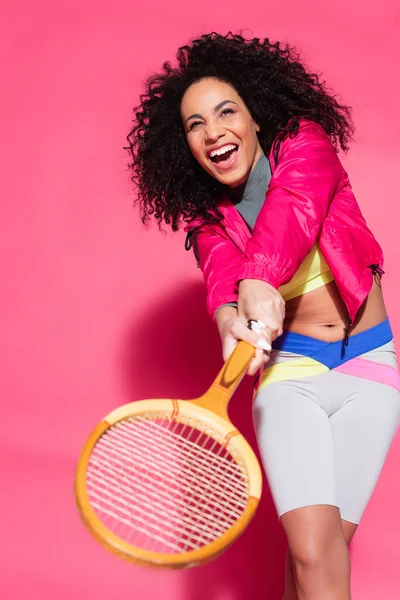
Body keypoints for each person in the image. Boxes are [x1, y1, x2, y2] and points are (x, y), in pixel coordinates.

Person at [126, 32, 400, 600]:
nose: (212, 131)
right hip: (290, 377)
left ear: (256, 119)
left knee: (319, 558)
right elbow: (222, 285)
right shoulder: (206, 220)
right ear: (185, 146)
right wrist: (230, 321)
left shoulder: (306, 144)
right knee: (311, 551)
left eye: (226, 112)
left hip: (371, 367)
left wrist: (259, 280)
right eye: (194, 124)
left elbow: (294, 209)